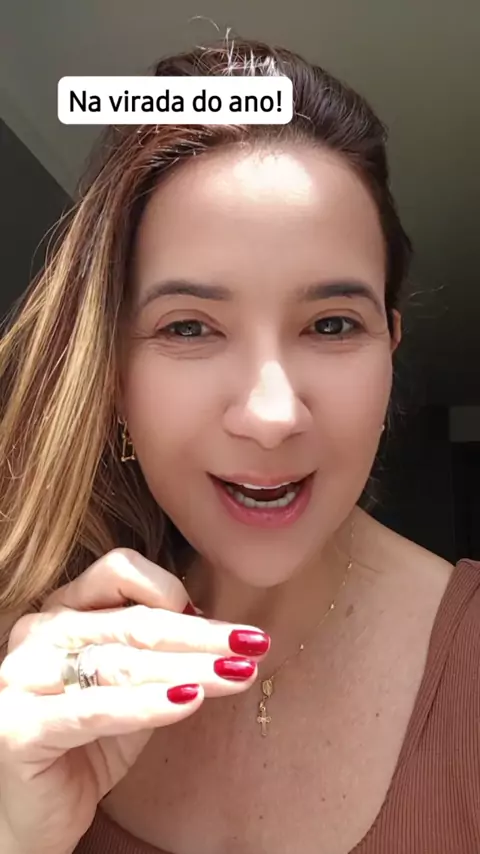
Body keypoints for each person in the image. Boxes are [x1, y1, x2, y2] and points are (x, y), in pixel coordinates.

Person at [0, 35, 478, 854]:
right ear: (112, 374)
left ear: (389, 351)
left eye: (332, 325)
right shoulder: (24, 665)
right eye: (189, 327)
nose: (271, 415)